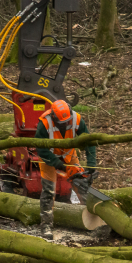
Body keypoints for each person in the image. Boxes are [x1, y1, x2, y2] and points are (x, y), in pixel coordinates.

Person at [35, 99, 97, 240]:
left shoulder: (76, 119)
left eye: (67, 121)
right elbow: (41, 149)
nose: (65, 124)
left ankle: (92, 219)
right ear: (54, 117)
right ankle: (46, 225)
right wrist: (58, 164)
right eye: (61, 123)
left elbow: (89, 141)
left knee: (82, 182)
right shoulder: (44, 123)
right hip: (49, 157)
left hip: (69, 154)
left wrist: (91, 164)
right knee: (49, 190)